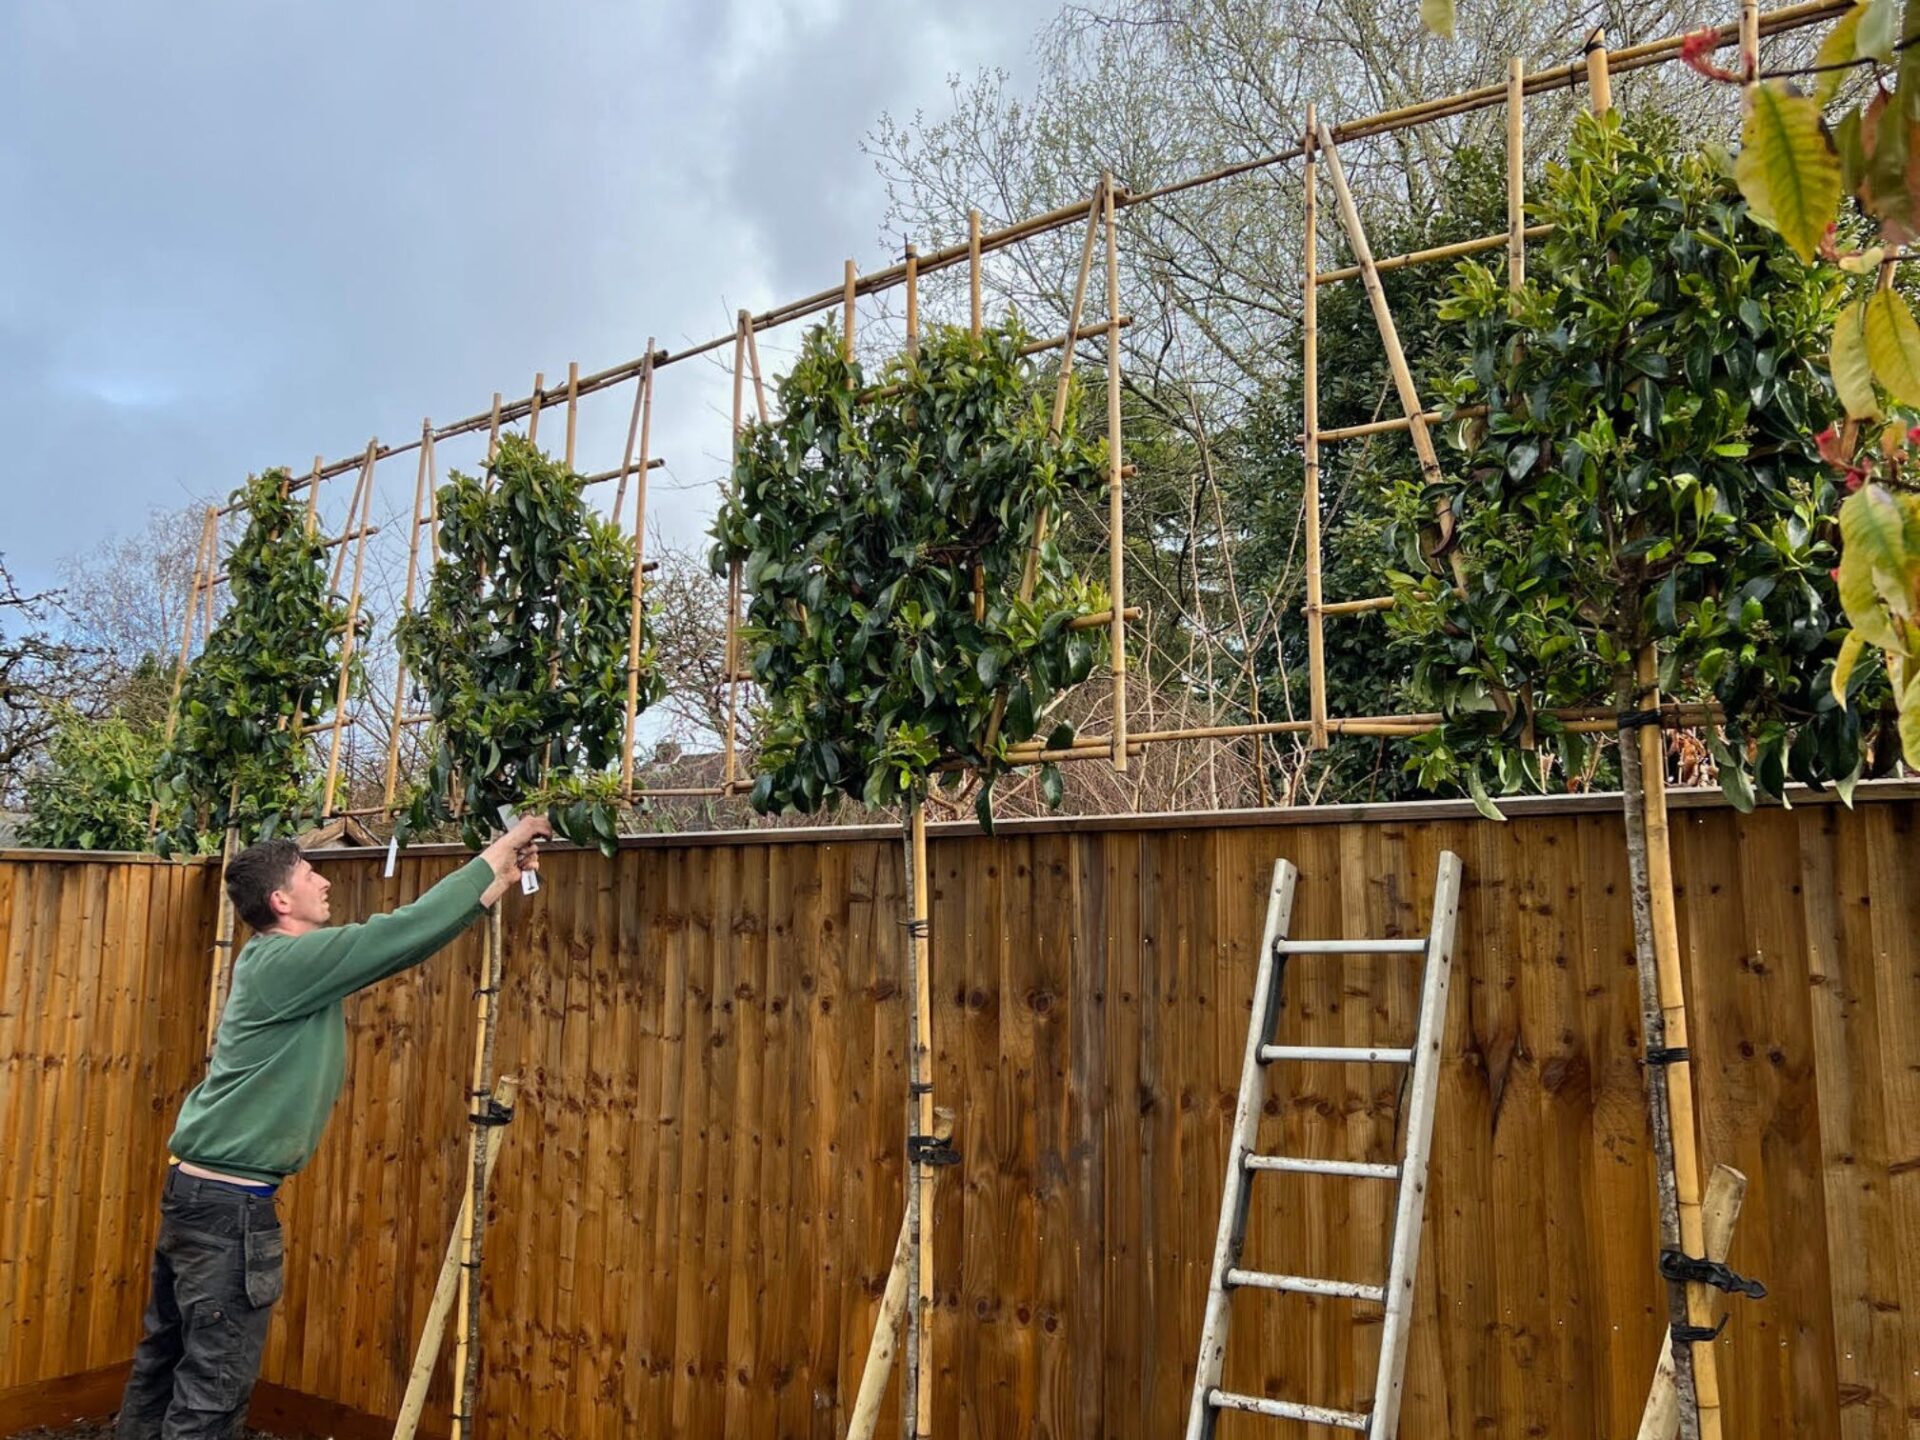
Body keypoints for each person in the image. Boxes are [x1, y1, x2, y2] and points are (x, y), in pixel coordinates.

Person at [114, 814, 552, 1440]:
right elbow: (397, 933)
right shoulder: (284, 964)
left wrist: (495, 882)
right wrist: (502, 847)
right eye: (309, 873)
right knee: (211, 1394)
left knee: (166, 1367)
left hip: (201, 1198)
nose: (324, 880)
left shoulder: (278, 964)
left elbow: (407, 943)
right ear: (280, 900)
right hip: (227, 1212)